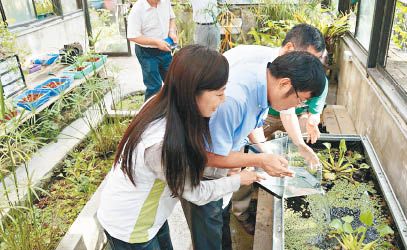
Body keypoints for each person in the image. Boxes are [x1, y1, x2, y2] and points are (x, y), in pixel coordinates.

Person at [97, 45, 265, 250]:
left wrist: (221, 170)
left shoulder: (164, 105)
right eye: (219, 93)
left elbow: (187, 161)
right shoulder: (160, 144)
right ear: (193, 91)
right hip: (131, 226)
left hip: (150, 215)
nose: (224, 100)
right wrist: (239, 180)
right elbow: (197, 193)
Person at [181, 51, 326, 249]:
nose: (299, 106)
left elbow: (251, 124)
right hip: (201, 179)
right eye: (301, 100)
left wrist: (267, 154)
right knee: (208, 236)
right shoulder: (234, 99)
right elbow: (207, 156)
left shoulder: (263, 83)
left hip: (221, 174)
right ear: (285, 84)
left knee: (221, 225)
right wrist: (259, 161)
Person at [223, 24, 329, 234]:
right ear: (290, 49)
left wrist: (295, 146)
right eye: (308, 58)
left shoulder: (275, 78)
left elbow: (263, 119)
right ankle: (238, 213)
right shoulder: (252, 78)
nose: (310, 67)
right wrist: (256, 160)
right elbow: (213, 153)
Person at [127, 0, 178, 100]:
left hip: (165, 48)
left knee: (173, 81)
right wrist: (156, 42)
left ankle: (173, 110)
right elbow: (132, 36)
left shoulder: (165, 2)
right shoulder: (138, 9)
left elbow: (171, 18)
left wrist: (171, 31)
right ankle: (151, 114)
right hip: (146, 52)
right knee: (154, 86)